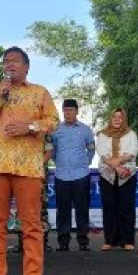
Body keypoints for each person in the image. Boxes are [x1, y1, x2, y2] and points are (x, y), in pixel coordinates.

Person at [0, 46, 59, 275]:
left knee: (31, 224)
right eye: (6, 61)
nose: (9, 65)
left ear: (26, 66)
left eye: (15, 61)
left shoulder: (40, 93)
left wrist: (30, 126)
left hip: (28, 167)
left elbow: (53, 122)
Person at [51, 99, 95, 252]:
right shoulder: (56, 130)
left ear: (77, 112)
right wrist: (60, 163)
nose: (68, 113)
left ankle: (83, 241)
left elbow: (91, 148)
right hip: (62, 175)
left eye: (71, 110)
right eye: (65, 110)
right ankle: (63, 242)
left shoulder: (85, 129)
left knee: (82, 209)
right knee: (62, 210)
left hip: (81, 175)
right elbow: (53, 151)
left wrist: (85, 163)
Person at [96, 108, 138, 251]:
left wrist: (118, 163)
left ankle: (128, 241)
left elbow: (133, 152)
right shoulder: (102, 134)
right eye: (114, 116)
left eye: (120, 117)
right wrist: (117, 168)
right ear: (110, 118)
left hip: (127, 176)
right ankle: (109, 241)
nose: (117, 119)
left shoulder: (131, 134)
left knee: (126, 207)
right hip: (107, 176)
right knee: (109, 207)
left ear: (124, 119)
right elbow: (102, 153)